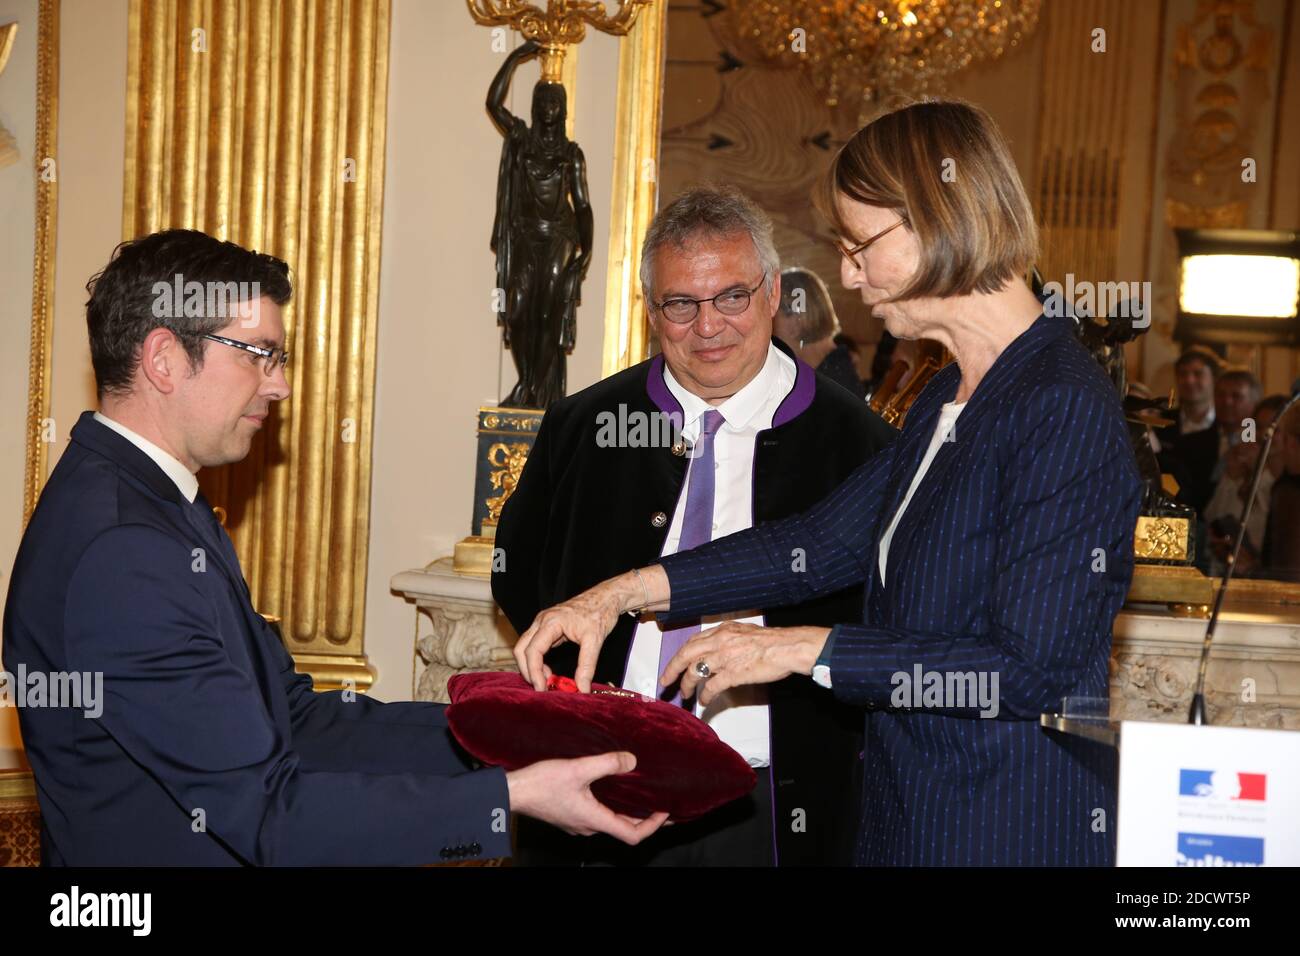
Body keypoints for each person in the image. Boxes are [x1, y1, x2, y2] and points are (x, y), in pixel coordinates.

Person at [514, 100, 1143, 866]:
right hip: (908, 821)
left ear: (936, 219)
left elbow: (1028, 673)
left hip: (997, 827)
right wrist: (616, 594)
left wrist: (802, 648)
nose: (847, 273)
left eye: (859, 244)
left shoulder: (1060, 403)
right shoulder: (950, 397)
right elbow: (816, 542)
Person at [2, 229, 665, 865]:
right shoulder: (124, 548)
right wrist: (508, 800)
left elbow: (297, 719)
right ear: (165, 359)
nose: (280, 384)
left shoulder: (156, 504)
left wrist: (515, 733)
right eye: (258, 354)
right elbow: (268, 815)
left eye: (279, 359)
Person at [493, 185, 896, 866]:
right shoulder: (583, 427)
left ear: (772, 294)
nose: (707, 326)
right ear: (651, 310)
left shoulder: (858, 444)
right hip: (601, 784)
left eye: (731, 297)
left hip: (773, 801)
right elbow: (522, 575)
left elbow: (882, 626)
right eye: (680, 304)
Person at [773, 266, 866, 398]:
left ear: (797, 321)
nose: (767, 328)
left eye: (772, 315)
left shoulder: (833, 389)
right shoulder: (833, 374)